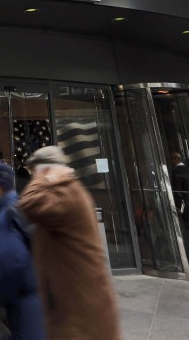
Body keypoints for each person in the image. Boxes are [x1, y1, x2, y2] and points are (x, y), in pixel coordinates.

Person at [18, 146, 120, 340]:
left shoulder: (67, 192)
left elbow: (29, 202)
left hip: (81, 311)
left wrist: (42, 176)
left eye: (33, 171)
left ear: (45, 169)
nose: (32, 177)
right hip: (74, 301)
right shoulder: (65, 190)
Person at [0, 161, 45, 340]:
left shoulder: (6, 214)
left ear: (2, 184)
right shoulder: (18, 206)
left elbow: (11, 264)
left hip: (19, 306)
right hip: (31, 302)